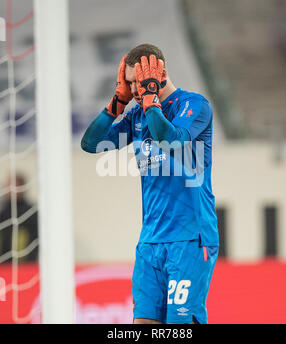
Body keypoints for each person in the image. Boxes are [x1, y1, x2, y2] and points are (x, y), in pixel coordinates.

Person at [81, 43, 219, 324]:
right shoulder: (137, 115)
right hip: (150, 242)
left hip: (190, 237)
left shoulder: (194, 105)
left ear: (160, 75)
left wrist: (151, 102)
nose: (133, 91)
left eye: (138, 83)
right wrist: (115, 105)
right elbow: (91, 144)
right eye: (128, 84)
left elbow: (170, 139)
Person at [0, 173, 38, 263]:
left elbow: (35, 239)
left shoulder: (31, 212)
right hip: (3, 264)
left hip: (24, 264)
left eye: (13, 186)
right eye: (7, 186)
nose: (9, 190)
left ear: (22, 187)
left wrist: (29, 262)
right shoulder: (3, 211)